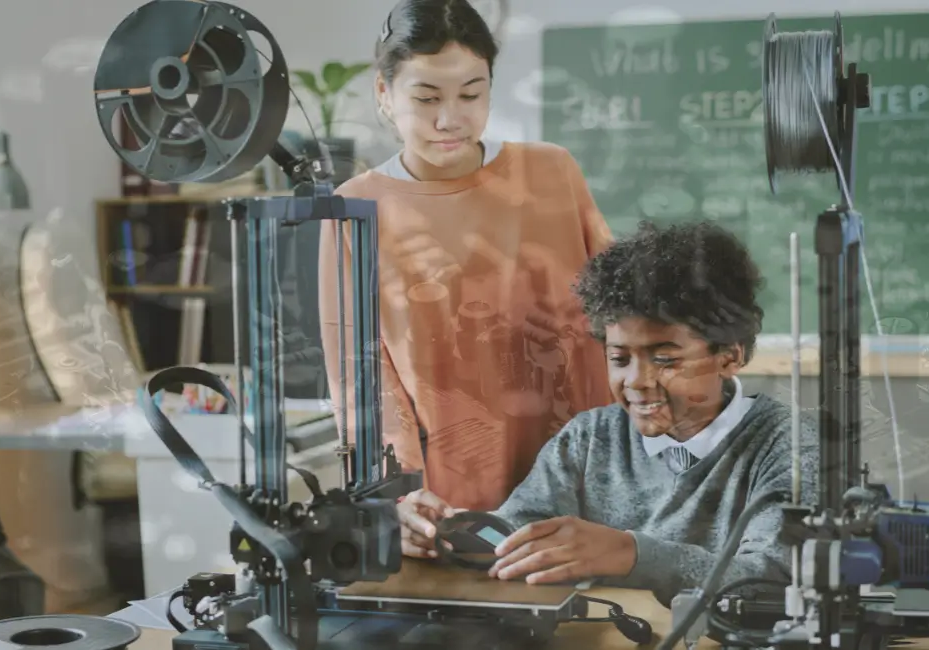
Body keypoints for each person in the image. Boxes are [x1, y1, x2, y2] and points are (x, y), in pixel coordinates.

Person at [396, 220, 820, 606]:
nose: (636, 381)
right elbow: (513, 541)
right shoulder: (589, 437)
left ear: (730, 356)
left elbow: (773, 581)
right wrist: (443, 535)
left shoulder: (789, 447)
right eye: (620, 358)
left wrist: (632, 553)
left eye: (665, 360)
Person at [318, 0, 614, 512]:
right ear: (385, 95)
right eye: (427, 97)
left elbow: (623, 313)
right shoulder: (355, 209)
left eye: (472, 94)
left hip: (588, 477)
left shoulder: (552, 173)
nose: (450, 119)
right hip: (450, 502)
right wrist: (399, 496)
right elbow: (359, 372)